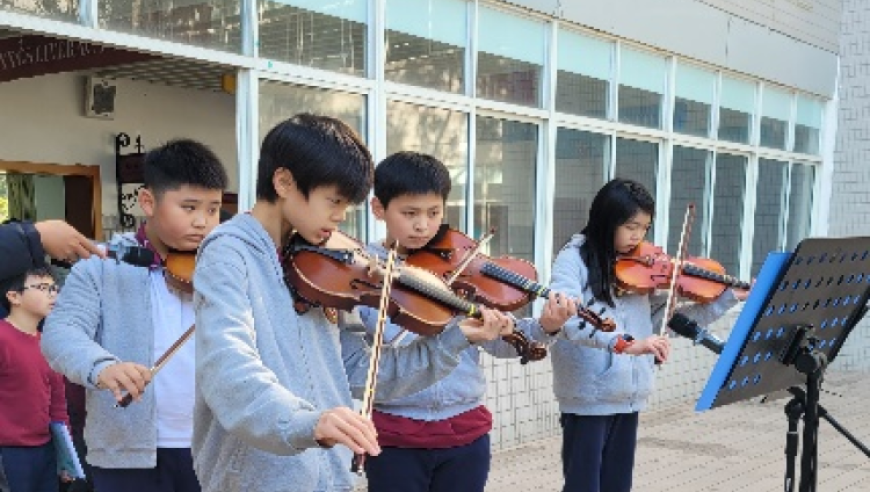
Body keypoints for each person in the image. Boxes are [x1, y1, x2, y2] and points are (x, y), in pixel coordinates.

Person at [191, 114, 513, 492]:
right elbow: (228, 368)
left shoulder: (317, 263)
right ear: (284, 182)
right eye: (334, 201)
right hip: (256, 479)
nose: (341, 217)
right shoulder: (228, 253)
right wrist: (305, 422)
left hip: (327, 475)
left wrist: (455, 339)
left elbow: (361, 370)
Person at [359, 151, 577, 492]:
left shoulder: (460, 268)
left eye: (434, 213)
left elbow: (500, 342)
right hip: (395, 434)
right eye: (409, 213)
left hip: (465, 432)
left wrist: (546, 327)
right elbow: (371, 352)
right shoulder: (363, 271)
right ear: (378, 209)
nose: (423, 225)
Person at [41, 139, 229, 492]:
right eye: (188, 207)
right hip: (125, 452)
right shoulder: (100, 265)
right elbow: (60, 334)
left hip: (214, 446)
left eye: (214, 209)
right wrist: (103, 366)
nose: (202, 222)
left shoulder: (224, 268)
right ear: (148, 202)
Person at [548, 177, 750, 492]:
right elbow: (568, 321)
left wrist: (727, 298)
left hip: (628, 396)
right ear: (607, 219)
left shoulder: (640, 269)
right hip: (588, 397)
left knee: (617, 486)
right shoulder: (572, 260)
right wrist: (628, 344)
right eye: (631, 226)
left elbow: (663, 322)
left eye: (644, 228)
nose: (638, 236)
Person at [0, 267, 70, 492]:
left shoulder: (49, 344)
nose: (52, 294)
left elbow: (58, 405)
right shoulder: (2, 338)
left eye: (53, 288)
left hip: (45, 449)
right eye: (42, 288)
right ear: (14, 296)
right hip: (8, 452)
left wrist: (65, 456)